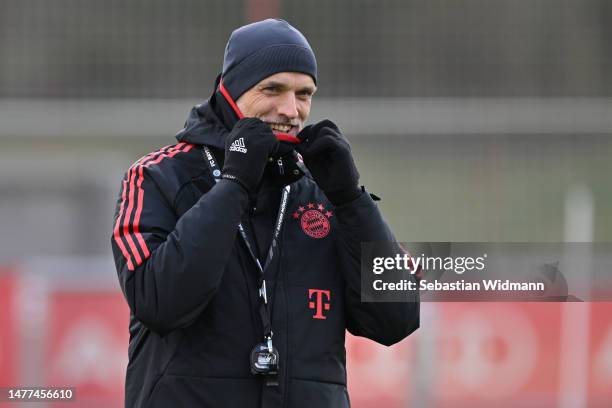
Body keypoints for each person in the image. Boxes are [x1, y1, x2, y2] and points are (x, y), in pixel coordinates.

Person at [111, 18, 419, 408]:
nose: (290, 109)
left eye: (304, 93)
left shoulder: (324, 192)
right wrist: (234, 184)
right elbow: (158, 301)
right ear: (230, 91)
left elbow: (396, 320)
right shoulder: (155, 177)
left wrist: (351, 199)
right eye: (272, 89)